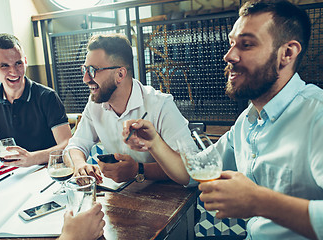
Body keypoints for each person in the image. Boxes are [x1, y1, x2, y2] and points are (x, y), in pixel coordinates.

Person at [122, 1, 323, 239]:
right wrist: (153, 142)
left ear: (287, 53)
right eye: (231, 44)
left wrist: (259, 201)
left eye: (246, 45)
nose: (229, 56)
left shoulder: (316, 115)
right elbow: (192, 173)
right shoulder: (246, 122)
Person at [66, 33, 195, 184]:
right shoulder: (95, 104)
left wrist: (139, 170)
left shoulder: (160, 105)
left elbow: (192, 171)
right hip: (122, 197)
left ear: (120, 74)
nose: (85, 79)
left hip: (169, 197)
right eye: (84, 70)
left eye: (93, 70)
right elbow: (75, 145)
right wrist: (80, 165)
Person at [0, 33, 72, 167]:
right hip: (12, 172)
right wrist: (1, 151)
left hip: (48, 169)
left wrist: (33, 158)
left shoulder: (47, 97)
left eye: (18, 63)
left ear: (25, 61)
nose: (14, 72)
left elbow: (67, 143)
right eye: (4, 66)